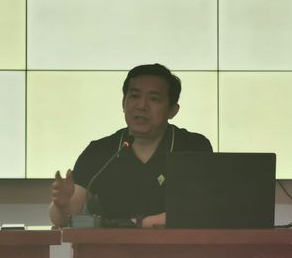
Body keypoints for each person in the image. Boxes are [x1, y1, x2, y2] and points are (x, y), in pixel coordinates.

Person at [49, 63, 212, 228]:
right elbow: (63, 218)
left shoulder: (193, 147)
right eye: (134, 96)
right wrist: (61, 205)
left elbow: (198, 210)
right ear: (123, 103)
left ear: (172, 111)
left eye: (154, 99)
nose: (141, 106)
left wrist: (139, 224)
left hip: (178, 244)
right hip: (112, 244)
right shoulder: (99, 151)